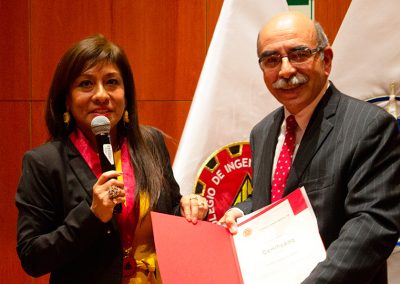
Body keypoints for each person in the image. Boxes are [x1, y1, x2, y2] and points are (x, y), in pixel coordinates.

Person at [219, 11, 400, 283]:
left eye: (299, 54)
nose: (286, 69)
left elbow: (371, 226)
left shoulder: (369, 126)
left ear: (325, 60)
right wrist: (241, 212)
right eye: (271, 59)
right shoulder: (263, 132)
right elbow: (275, 198)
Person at [16, 34, 208, 284]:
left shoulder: (150, 143)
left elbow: (167, 210)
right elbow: (32, 258)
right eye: (86, 84)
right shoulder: (44, 162)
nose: (101, 95)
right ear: (66, 99)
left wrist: (187, 206)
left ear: (126, 95)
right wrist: (92, 214)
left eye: (112, 82)